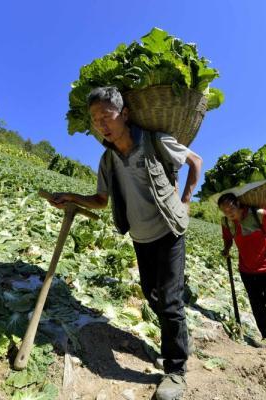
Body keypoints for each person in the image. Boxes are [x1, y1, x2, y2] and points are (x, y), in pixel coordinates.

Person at [42, 86, 202, 400]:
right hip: (141, 238)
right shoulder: (108, 160)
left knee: (169, 301)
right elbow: (101, 200)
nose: (101, 123)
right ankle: (179, 335)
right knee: (152, 295)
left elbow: (195, 161)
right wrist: (71, 197)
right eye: (95, 119)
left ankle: (175, 372)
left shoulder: (155, 141)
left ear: (124, 114)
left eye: (106, 115)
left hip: (170, 233)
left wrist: (185, 200)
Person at [218, 193, 266, 348]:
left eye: (231, 208)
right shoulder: (226, 222)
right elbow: (228, 238)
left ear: (238, 204)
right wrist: (226, 249)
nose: (229, 213)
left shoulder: (257, 215)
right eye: (225, 211)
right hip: (247, 269)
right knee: (256, 303)